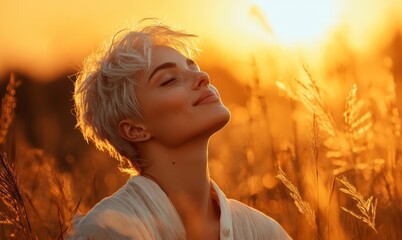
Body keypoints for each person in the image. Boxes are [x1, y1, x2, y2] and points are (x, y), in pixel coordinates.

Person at [69, 19, 291, 240]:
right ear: (135, 129)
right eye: (170, 80)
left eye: (193, 67)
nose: (202, 77)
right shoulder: (107, 230)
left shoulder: (264, 232)